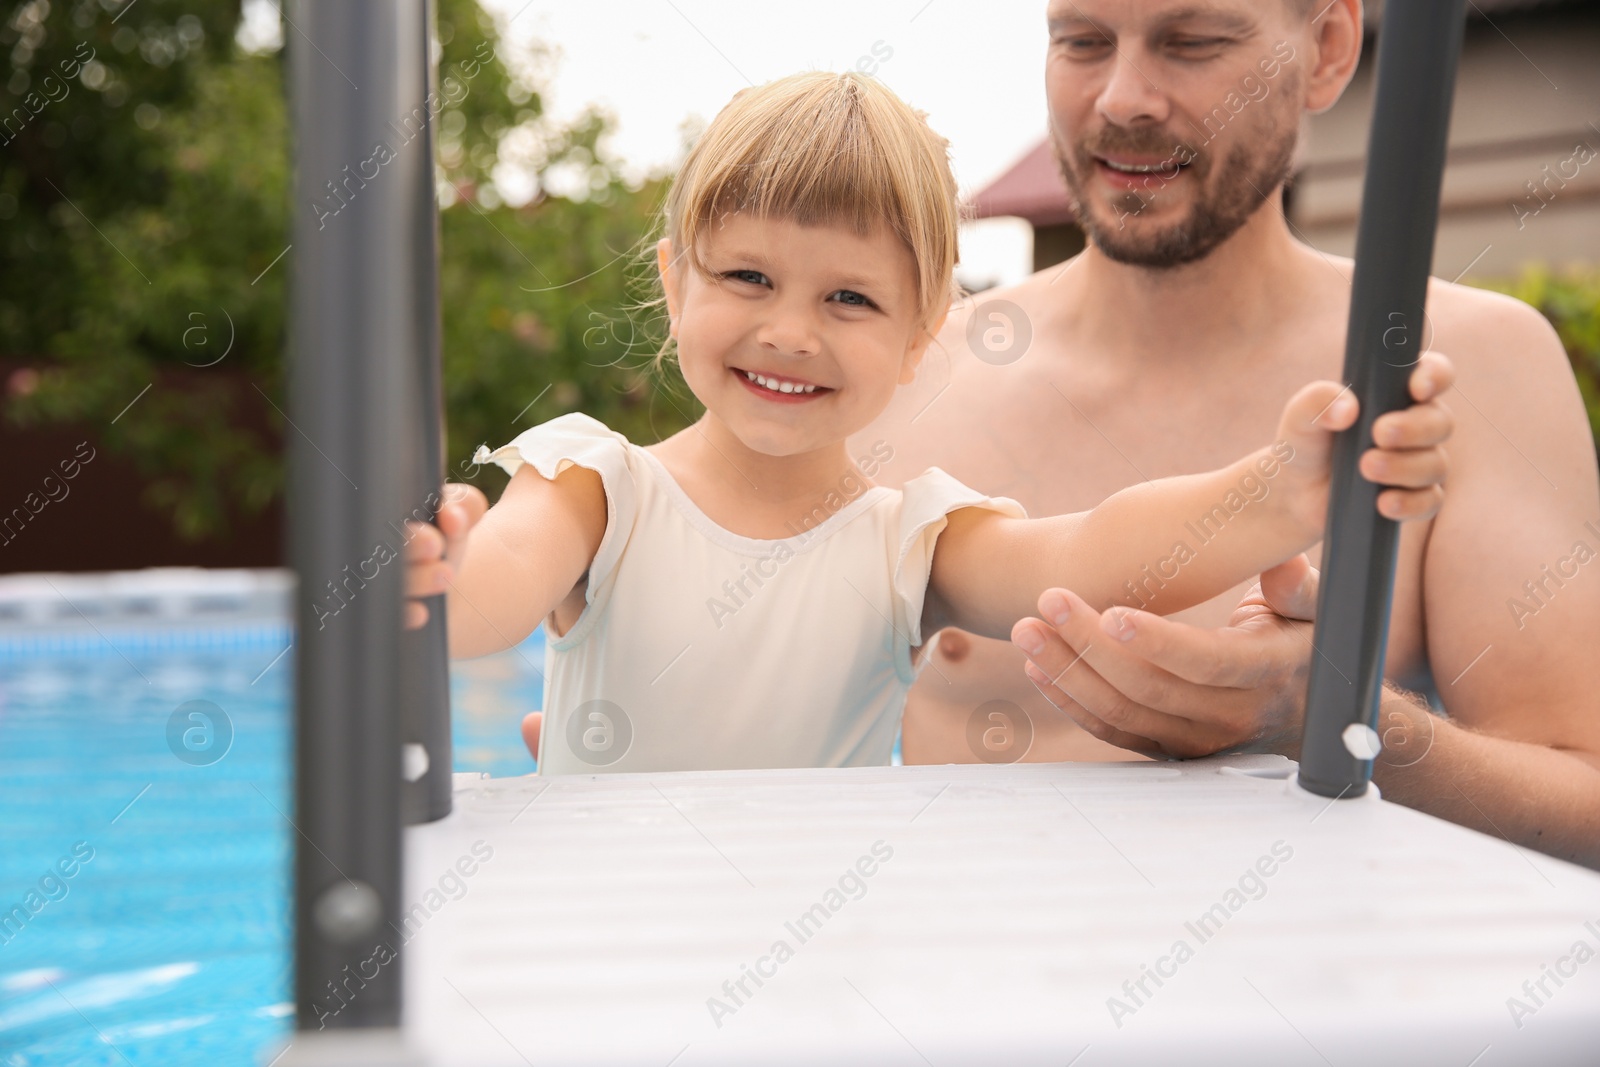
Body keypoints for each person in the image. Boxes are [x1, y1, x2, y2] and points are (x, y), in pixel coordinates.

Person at [403, 69, 1450, 776]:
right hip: (612, 945)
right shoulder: (594, 486)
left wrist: (1277, 490)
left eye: (849, 299)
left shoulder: (908, 538)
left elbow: (1091, 549)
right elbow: (491, 597)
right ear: (677, 285)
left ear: (921, 334)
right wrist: (431, 579)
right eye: (748, 276)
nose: (790, 331)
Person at [847, 0, 1600, 868]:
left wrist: (1338, 713)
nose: (1124, 99)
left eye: (1193, 42)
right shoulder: (909, 369)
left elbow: (1582, 804)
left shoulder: (1470, 364)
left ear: (1327, 49)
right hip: (956, 983)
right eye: (1083, 42)